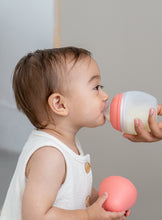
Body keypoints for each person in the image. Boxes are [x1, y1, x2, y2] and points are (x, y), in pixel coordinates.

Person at [0, 47, 130, 220]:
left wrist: (99, 203)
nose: (105, 96)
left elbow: (76, 187)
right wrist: (88, 215)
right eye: (96, 87)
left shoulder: (66, 143)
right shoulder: (49, 156)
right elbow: (35, 216)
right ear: (60, 104)